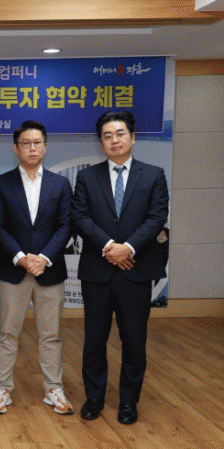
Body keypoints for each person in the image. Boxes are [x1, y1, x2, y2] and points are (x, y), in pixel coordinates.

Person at [73, 111, 169, 424]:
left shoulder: (153, 175)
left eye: (120, 133)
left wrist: (127, 248)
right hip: (97, 272)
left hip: (135, 270)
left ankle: (129, 401)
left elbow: (156, 217)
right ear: (101, 142)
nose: (114, 140)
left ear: (133, 137)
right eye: (107, 135)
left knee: (134, 340)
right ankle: (94, 398)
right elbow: (80, 216)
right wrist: (109, 247)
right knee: (94, 340)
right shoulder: (87, 177)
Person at [0, 120, 73, 415]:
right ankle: (2, 388)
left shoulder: (60, 184)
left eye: (37, 142)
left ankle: (54, 389)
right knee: (7, 333)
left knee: (51, 334)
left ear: (45, 147)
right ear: (16, 148)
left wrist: (44, 257)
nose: (32, 148)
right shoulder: (1, 183)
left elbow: (65, 225)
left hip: (50, 270)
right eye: (26, 143)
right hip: (13, 269)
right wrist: (22, 257)